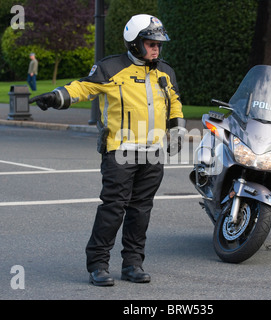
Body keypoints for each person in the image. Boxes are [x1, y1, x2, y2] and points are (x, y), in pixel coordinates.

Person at [29, 14, 185, 286]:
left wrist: (178, 130)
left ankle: (133, 264)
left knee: (141, 210)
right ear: (135, 43)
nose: (156, 48)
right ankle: (98, 265)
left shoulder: (165, 72)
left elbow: (175, 103)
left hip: (153, 153)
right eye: (151, 43)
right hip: (120, 152)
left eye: (159, 44)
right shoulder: (110, 68)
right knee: (114, 209)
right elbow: (82, 88)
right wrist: (56, 97)